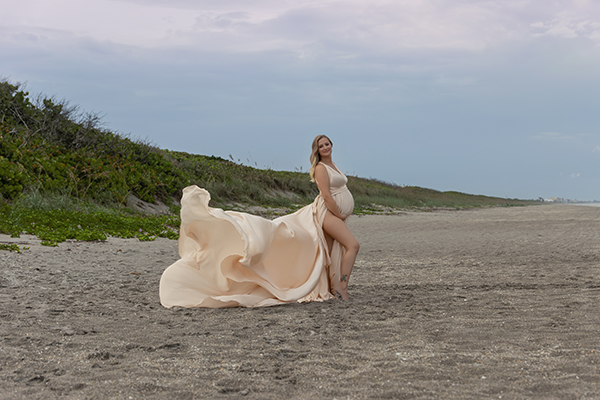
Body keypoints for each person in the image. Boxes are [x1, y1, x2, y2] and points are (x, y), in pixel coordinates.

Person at [159, 135, 359, 308]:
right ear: (317, 150)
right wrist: (339, 215)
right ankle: (342, 286)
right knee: (352, 245)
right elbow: (326, 195)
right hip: (327, 213)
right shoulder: (321, 168)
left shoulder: (333, 165)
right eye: (321, 146)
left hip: (333, 213)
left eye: (327, 144)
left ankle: (330, 287)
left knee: (327, 252)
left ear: (331, 145)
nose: (325, 147)